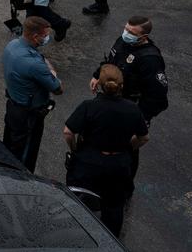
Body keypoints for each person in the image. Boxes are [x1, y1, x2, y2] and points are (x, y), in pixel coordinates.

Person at [63, 65, 149, 237]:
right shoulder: (132, 109)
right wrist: (127, 148)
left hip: (88, 162)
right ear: (121, 86)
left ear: (99, 85)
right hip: (118, 165)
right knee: (114, 208)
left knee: (79, 203)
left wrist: (74, 150)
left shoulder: (88, 106)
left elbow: (68, 132)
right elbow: (144, 137)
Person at [89, 15, 168, 181]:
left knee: (126, 151)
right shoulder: (122, 41)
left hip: (129, 109)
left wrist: (141, 119)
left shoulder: (150, 59)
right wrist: (98, 75)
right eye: (125, 29)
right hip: (109, 101)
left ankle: (124, 186)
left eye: (131, 32)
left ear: (143, 36)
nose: (126, 33)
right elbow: (110, 61)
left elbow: (158, 96)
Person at [1, 16, 63, 172]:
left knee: (8, 147)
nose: (47, 38)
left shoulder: (12, 45)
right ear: (36, 37)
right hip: (29, 116)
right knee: (24, 157)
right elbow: (58, 88)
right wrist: (52, 72)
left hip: (13, 107)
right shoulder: (34, 64)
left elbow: (40, 58)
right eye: (45, 35)